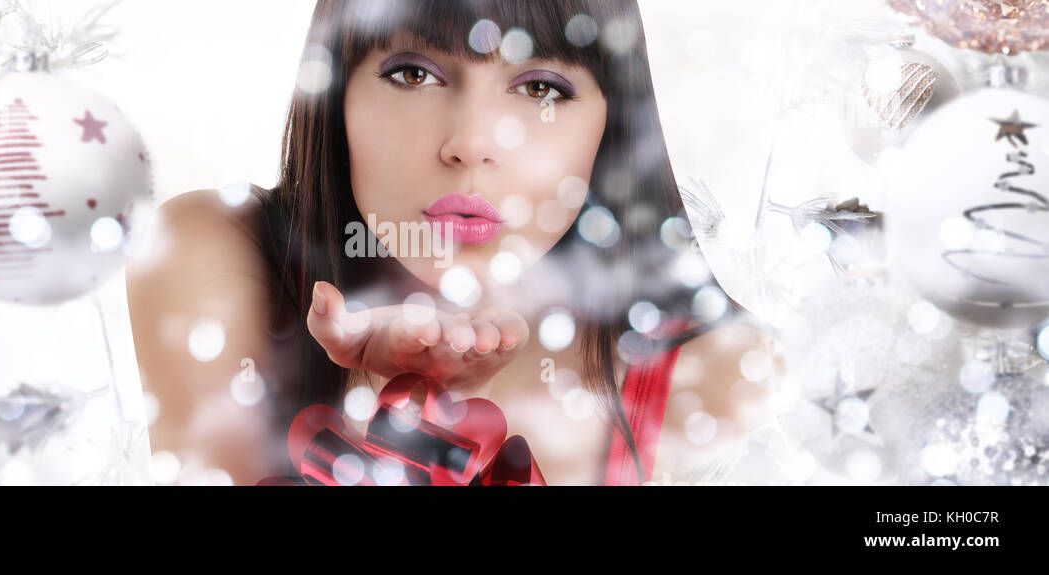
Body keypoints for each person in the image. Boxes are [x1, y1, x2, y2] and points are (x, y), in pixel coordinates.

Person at [127, 0, 773, 486]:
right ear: (337, 95)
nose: (471, 141)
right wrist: (392, 397)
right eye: (412, 74)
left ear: (611, 124)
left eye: (541, 87)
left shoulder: (719, 382)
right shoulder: (210, 257)